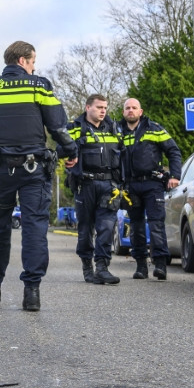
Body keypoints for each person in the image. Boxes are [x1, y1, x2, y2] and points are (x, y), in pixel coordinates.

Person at [0, 41, 77, 311]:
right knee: (34, 227)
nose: (34, 67)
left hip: (1, 170)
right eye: (33, 62)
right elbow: (58, 126)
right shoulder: (39, 86)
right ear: (22, 60)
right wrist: (71, 151)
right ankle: (31, 291)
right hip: (34, 170)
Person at [120, 97, 182, 281]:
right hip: (130, 185)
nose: (131, 110)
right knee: (136, 226)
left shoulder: (154, 129)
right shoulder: (117, 132)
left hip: (152, 184)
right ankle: (141, 266)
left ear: (141, 112)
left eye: (134, 108)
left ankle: (160, 264)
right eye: (127, 108)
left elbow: (173, 151)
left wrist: (175, 176)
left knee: (156, 224)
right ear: (123, 112)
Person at [67, 94, 124, 285]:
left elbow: (124, 154)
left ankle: (102, 267)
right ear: (87, 107)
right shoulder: (75, 128)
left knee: (106, 226)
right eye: (99, 107)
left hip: (109, 185)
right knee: (85, 229)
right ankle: (87, 268)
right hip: (85, 184)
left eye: (105, 108)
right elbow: (62, 148)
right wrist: (69, 155)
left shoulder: (114, 128)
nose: (103, 111)